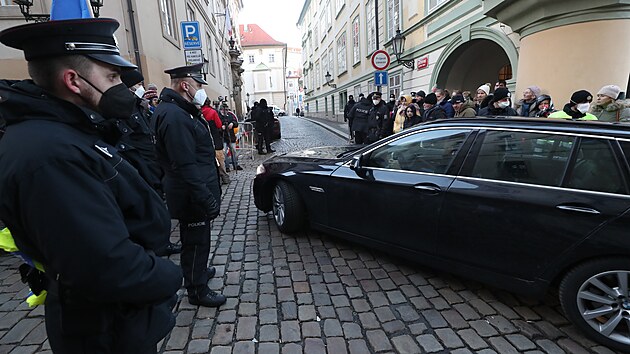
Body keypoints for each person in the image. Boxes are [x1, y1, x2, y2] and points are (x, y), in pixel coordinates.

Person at [0, 18, 182, 353]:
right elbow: (104, 264)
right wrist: (168, 277)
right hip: (102, 328)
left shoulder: (69, 132)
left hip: (114, 319)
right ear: (73, 80)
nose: (119, 86)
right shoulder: (50, 154)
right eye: (112, 77)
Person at [152, 63, 226, 308]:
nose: (201, 90)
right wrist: (205, 197)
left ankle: (198, 272)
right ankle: (197, 289)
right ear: (185, 85)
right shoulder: (175, 116)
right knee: (196, 241)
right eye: (198, 85)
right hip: (191, 195)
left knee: (196, 238)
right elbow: (184, 165)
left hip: (192, 191)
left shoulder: (180, 111)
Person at [201, 100, 230, 184]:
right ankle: (224, 177)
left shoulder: (199, 112)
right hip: (215, 140)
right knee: (220, 160)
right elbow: (219, 125)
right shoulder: (212, 112)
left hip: (204, 141)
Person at [220, 104, 242, 171]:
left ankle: (235, 164)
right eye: (224, 110)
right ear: (221, 110)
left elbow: (236, 123)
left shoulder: (230, 116)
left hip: (231, 136)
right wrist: (221, 128)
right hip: (223, 137)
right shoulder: (219, 116)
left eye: (227, 110)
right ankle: (226, 166)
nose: (226, 111)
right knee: (225, 152)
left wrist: (232, 123)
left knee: (233, 151)